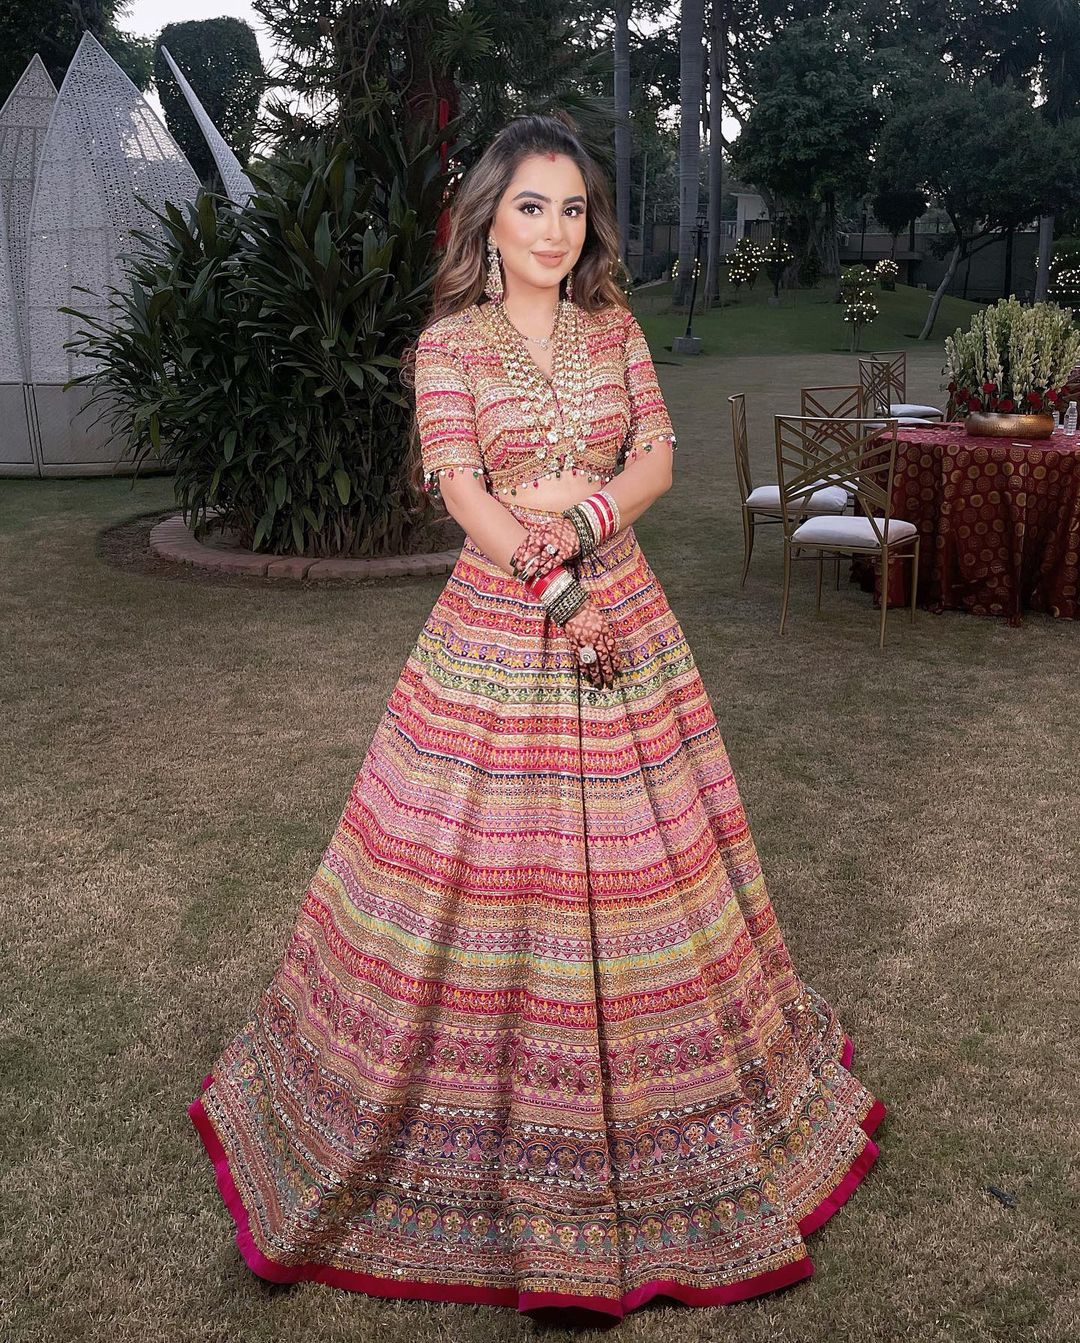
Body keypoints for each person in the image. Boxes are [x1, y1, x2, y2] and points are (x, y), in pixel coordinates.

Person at [188, 113, 885, 1321]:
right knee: (479, 861)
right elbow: (461, 488)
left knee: (652, 862)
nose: (555, 231)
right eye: (531, 208)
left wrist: (581, 531)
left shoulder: (615, 330)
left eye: (573, 210)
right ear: (488, 220)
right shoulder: (447, 347)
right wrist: (553, 580)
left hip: (626, 610)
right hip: (502, 628)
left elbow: (656, 461)